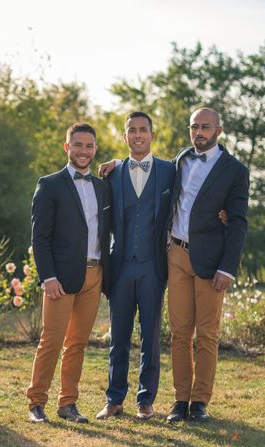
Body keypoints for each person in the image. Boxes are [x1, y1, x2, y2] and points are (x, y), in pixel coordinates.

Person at [166, 107, 249, 423]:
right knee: (179, 333)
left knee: (207, 335)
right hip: (176, 254)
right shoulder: (180, 160)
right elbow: (149, 172)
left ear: (219, 130)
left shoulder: (235, 171)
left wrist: (228, 267)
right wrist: (118, 164)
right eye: (194, 127)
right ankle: (180, 400)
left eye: (205, 127)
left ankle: (200, 402)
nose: (199, 133)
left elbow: (238, 222)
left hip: (212, 261)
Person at [26, 122, 111, 424]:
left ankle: (68, 403)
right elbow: (40, 236)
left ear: (95, 149)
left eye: (89, 146)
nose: (83, 151)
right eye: (78, 145)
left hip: (94, 274)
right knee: (51, 339)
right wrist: (47, 276)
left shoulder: (103, 187)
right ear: (67, 147)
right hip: (60, 279)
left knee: (77, 343)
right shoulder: (50, 184)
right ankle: (36, 403)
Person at [95, 112, 175, 422]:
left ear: (152, 135)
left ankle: (146, 401)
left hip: (154, 266)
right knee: (119, 336)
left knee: (151, 337)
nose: (138, 135)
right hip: (122, 265)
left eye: (143, 130)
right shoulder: (111, 173)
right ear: (125, 136)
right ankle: (114, 400)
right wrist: (113, 162)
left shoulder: (170, 171)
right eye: (132, 130)